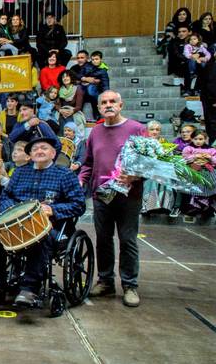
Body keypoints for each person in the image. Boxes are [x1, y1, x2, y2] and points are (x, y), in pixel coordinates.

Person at [0, 136, 86, 306]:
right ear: (30, 155)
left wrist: (54, 210)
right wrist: (14, 210)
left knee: (39, 237)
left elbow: (78, 204)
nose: (39, 151)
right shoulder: (20, 172)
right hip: (18, 225)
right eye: (35, 149)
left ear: (53, 153)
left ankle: (30, 289)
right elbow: (6, 196)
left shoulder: (65, 175)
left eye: (44, 148)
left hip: (51, 227)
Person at [79, 90, 147, 308]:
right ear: (98, 107)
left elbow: (150, 163)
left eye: (112, 102)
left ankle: (129, 285)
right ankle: (106, 281)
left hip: (129, 196)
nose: (108, 105)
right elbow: (88, 162)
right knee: (103, 239)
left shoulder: (137, 129)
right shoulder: (96, 132)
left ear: (121, 104)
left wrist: (136, 176)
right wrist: (81, 179)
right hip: (102, 195)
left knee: (127, 240)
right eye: (104, 102)